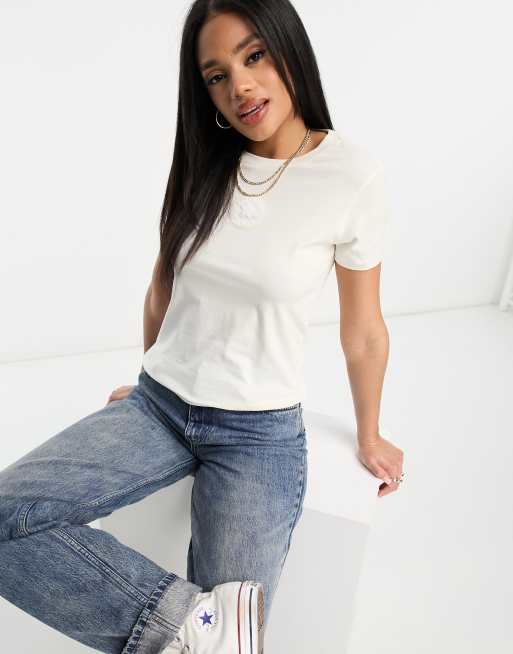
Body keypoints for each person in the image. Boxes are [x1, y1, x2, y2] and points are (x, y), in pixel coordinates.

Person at [0, 1, 405, 653]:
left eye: (254, 56)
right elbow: (163, 290)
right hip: (159, 408)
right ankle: (190, 622)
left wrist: (370, 433)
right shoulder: (204, 162)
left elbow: (363, 330)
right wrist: (148, 379)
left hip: (257, 436)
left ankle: (201, 628)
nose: (240, 85)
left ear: (289, 50)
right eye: (216, 75)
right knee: (6, 514)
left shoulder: (351, 177)